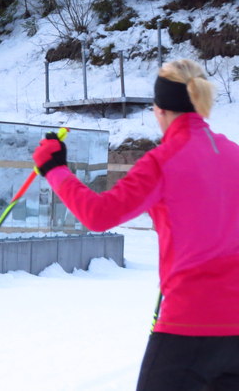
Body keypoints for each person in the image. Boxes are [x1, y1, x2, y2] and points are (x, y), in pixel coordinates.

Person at [31, 59, 239, 390]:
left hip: (188, 325)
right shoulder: (234, 154)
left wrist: (55, 169)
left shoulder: (163, 160)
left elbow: (98, 215)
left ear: (160, 110)